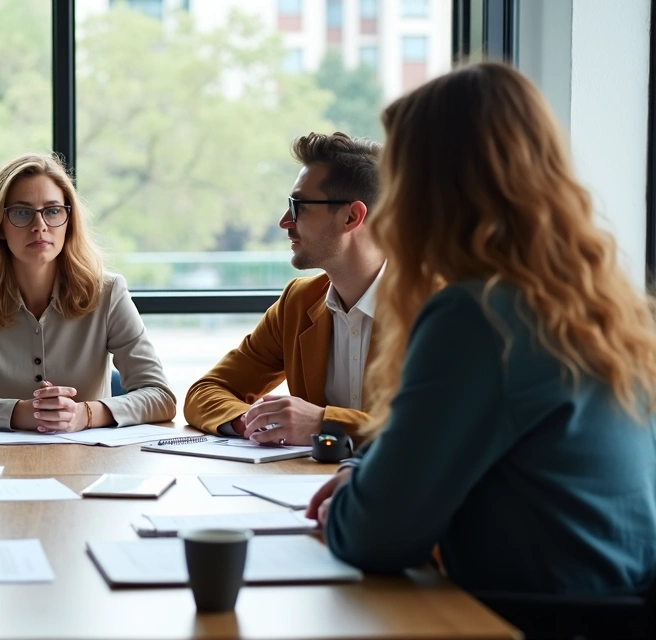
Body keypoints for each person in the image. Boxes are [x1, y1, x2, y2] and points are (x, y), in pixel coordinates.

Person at [310, 62, 656, 596]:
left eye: (399, 182)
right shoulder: (598, 305)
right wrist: (371, 478)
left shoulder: (478, 317)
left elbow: (373, 538)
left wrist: (354, 503)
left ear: (431, 193)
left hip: (524, 622)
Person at [0, 152, 175, 431]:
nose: (39, 225)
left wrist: (84, 414)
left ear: (69, 220)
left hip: (90, 463)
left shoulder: (109, 293)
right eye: (21, 212)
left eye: (52, 211)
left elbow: (160, 396)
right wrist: (21, 413)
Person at [184, 132, 384, 446]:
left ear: (351, 216)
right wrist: (253, 421)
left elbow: (441, 428)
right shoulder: (299, 302)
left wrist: (322, 422)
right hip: (305, 488)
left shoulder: (438, 305)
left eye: (299, 206)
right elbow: (205, 392)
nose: (284, 221)